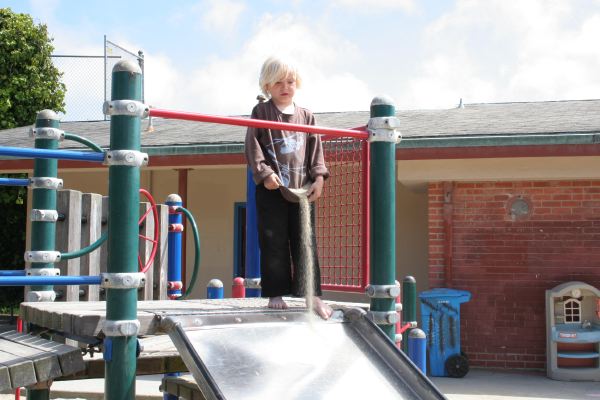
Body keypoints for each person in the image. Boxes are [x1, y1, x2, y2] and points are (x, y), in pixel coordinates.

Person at [244, 56, 333, 320]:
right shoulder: (261, 112)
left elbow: (316, 151)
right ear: (267, 86)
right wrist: (265, 174)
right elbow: (253, 147)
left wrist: (319, 178)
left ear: (297, 84)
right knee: (273, 240)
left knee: (306, 241)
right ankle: (275, 293)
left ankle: (312, 295)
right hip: (272, 187)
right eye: (278, 83)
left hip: (302, 189)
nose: (285, 87)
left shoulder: (306, 116)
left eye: (290, 82)